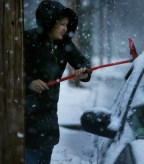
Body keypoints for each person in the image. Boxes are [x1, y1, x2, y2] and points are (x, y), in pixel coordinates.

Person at [24, 1, 91, 163]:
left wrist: (84, 72)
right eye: (62, 24)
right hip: (25, 116)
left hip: (49, 117)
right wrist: (29, 82)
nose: (65, 29)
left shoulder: (63, 45)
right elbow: (9, 71)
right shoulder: (27, 40)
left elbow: (84, 64)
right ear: (49, 22)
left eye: (67, 25)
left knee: (45, 154)